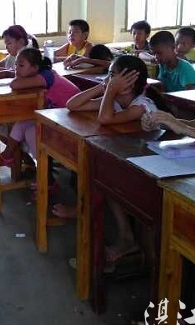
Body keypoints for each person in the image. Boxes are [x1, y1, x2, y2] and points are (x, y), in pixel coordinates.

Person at [59, 56, 168, 263]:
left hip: (155, 169)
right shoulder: (116, 101)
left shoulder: (142, 105)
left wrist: (109, 90)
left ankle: (126, 239)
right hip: (134, 160)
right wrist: (104, 87)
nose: (109, 80)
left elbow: (105, 118)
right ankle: (120, 232)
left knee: (104, 174)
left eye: (113, 76)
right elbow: (72, 105)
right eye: (110, 76)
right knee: (102, 172)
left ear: (129, 84)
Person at [0, 48, 80, 169]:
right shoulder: (33, 73)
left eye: (21, 65)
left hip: (72, 118)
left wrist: (16, 76)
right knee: (22, 125)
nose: (16, 68)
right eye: (16, 64)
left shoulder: (45, 76)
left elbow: (14, 84)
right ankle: (12, 157)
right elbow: (6, 73)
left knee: (30, 131)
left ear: (34, 68)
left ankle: (42, 170)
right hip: (57, 115)